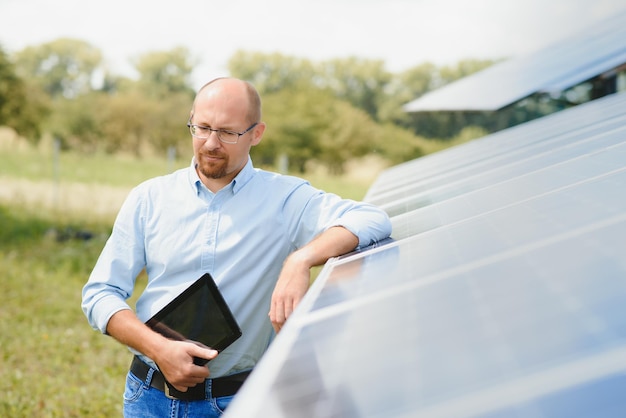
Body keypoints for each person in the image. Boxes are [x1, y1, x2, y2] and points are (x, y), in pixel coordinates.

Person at [81, 77, 392, 418]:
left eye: (228, 132)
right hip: (148, 397)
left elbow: (372, 219)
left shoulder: (285, 199)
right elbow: (100, 294)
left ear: (256, 134)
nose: (211, 143)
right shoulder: (148, 198)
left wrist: (300, 260)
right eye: (202, 128)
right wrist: (159, 348)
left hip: (239, 402)